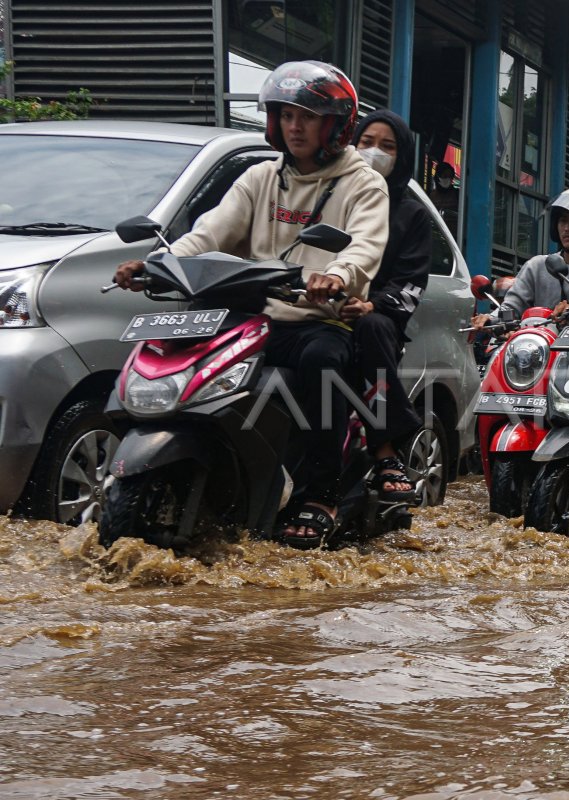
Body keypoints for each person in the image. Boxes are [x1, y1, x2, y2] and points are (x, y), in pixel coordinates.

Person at [113, 61, 389, 546]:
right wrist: (155, 263)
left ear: (336, 123)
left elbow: (364, 246)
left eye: (307, 116)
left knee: (324, 361)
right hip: (252, 315)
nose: (294, 126)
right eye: (285, 115)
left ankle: (319, 493)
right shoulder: (259, 178)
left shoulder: (363, 183)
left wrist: (336, 276)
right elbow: (208, 234)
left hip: (317, 320)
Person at [339, 108, 431, 503]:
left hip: (373, 319)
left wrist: (371, 304)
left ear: (402, 156)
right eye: (367, 143)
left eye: (387, 146)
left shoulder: (412, 215)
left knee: (372, 330)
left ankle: (385, 448)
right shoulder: (331, 194)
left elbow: (410, 283)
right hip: (311, 306)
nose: (374, 152)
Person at [471, 188, 569, 329]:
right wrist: (491, 319)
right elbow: (511, 309)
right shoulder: (537, 266)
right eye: (563, 220)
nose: (567, 228)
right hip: (540, 352)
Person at [428, 161, 460, 235]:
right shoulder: (431, 197)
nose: (447, 179)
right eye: (445, 176)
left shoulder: (457, 195)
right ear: (438, 176)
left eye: (450, 176)